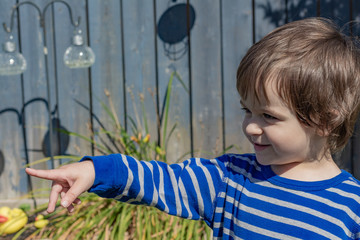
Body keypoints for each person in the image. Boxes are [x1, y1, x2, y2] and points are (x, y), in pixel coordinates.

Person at [26, 17, 360, 239]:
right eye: (247, 110)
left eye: (269, 116)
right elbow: (160, 179)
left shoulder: (351, 209)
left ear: (325, 120)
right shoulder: (230, 178)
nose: (251, 127)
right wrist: (95, 170)